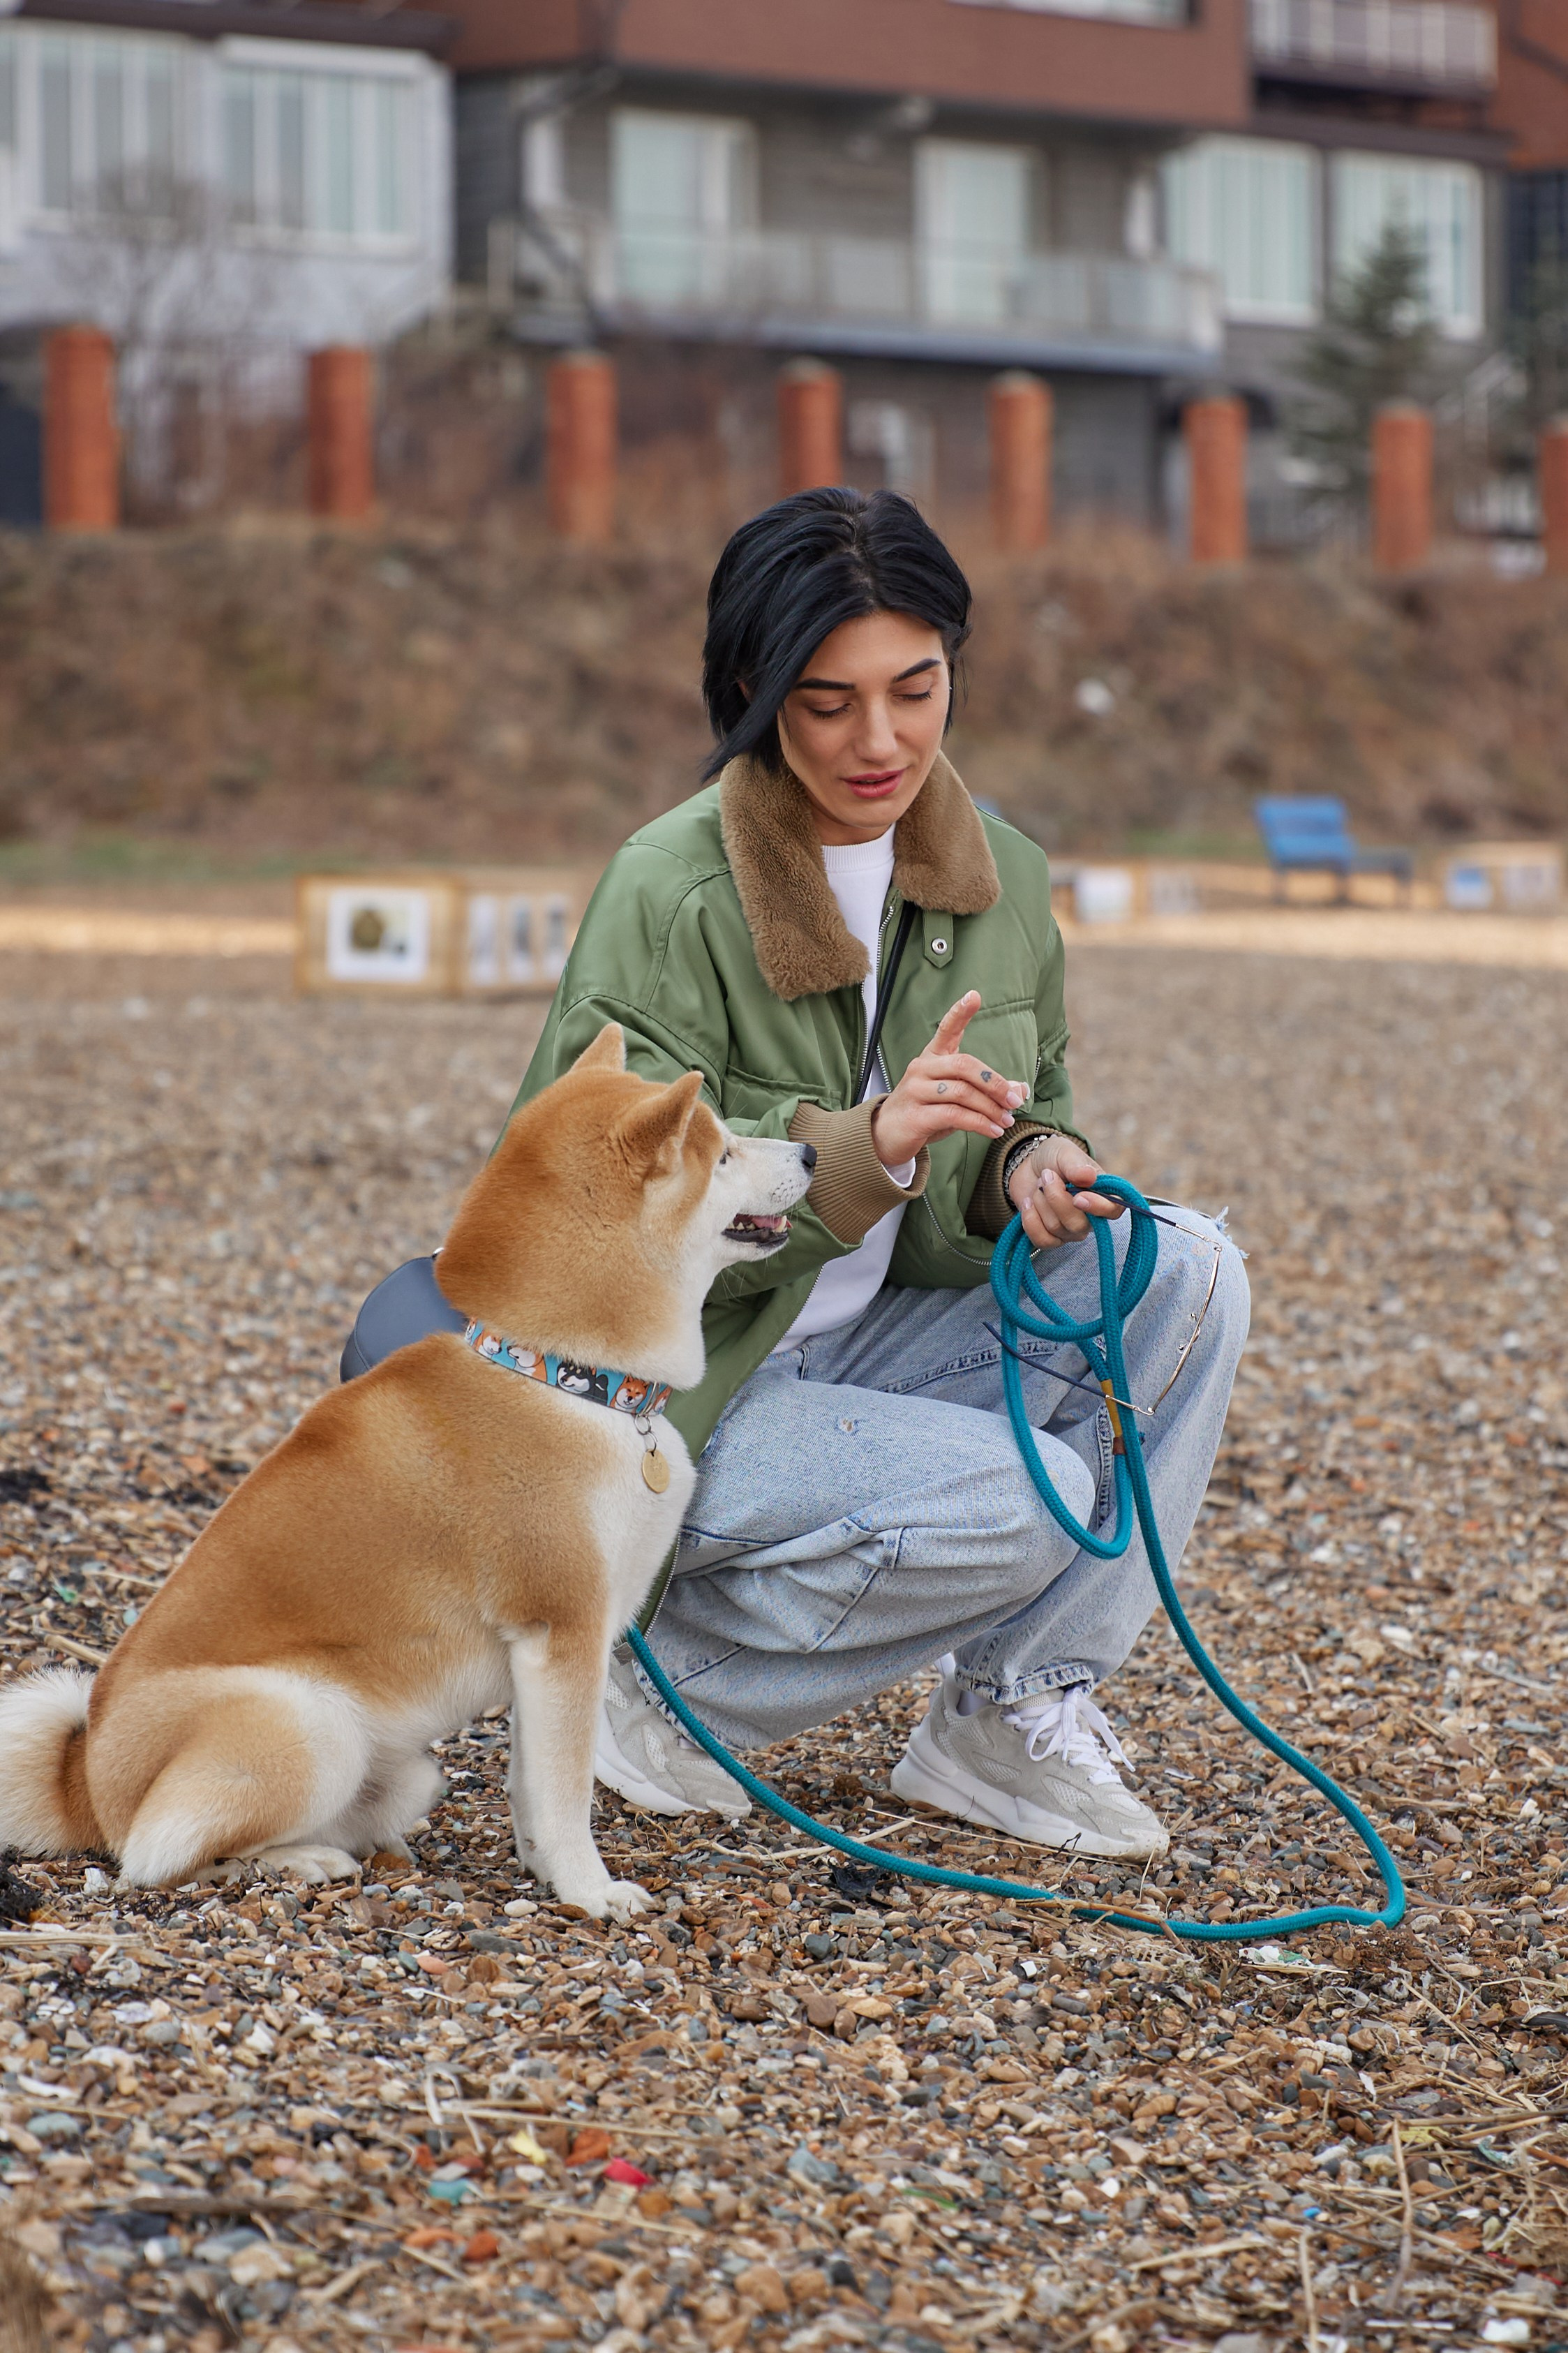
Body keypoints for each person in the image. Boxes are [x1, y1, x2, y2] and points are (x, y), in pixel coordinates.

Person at [509, 488, 1248, 1861]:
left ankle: (1005, 1720)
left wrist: (1027, 1166)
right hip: (681, 1390)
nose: (880, 740)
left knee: (1186, 1271)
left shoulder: (1001, 878)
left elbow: (1036, 1120)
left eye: (915, 689)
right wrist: (861, 1148)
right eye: (827, 700)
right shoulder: (667, 894)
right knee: (1032, 1506)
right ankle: (664, 1686)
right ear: (750, 688)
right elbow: (580, 1216)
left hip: (867, 1349)